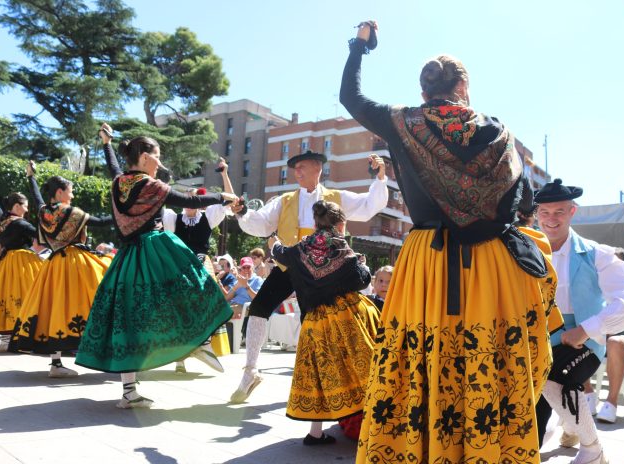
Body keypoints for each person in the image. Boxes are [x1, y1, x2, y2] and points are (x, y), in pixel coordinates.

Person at [340, 21, 563, 463]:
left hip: (427, 262)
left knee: (418, 361)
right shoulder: (500, 134)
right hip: (494, 264)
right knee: (493, 361)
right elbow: (519, 207)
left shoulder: (402, 121)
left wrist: (360, 46)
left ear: (425, 91)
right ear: (464, 86)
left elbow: (351, 97)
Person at [75, 124, 238, 408]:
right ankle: (198, 342)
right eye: (158, 156)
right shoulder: (151, 186)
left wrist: (106, 145)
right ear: (147, 157)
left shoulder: (118, 183)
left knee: (130, 319)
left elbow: (114, 169)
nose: (160, 162)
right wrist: (222, 197)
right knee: (195, 284)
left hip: (126, 258)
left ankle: (129, 391)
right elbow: (189, 200)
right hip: (155, 251)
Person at [229, 149, 388, 404]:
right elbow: (260, 222)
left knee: (313, 323)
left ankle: (317, 381)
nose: (297, 172)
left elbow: (369, 205)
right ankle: (250, 372)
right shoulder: (285, 200)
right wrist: (242, 212)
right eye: (295, 168)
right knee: (258, 308)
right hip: (289, 265)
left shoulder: (337, 197)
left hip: (319, 273)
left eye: (302, 167)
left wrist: (380, 178)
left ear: (318, 168)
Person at [534, 179, 624, 463]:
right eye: (544, 212)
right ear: (536, 214)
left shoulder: (598, 253)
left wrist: (586, 329)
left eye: (559, 211)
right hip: (538, 341)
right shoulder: (526, 251)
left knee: (552, 377)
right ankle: (568, 427)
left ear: (572, 212)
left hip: (584, 342)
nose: (551, 219)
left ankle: (593, 450)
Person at [270, 200, 380, 445]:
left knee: (317, 375)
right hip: (345, 319)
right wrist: (362, 263)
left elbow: (278, 253)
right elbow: (361, 281)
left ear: (315, 223)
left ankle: (315, 433)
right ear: (340, 224)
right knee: (365, 369)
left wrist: (274, 243)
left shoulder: (298, 249)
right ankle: (375, 420)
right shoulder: (342, 249)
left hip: (313, 322)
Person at [9, 163, 112, 378]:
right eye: (70, 191)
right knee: (100, 298)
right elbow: (101, 222)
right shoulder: (70, 212)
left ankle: (56, 363)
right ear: (60, 192)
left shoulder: (44, 212)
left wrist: (31, 179)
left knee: (55, 308)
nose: (72, 196)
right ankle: (109, 354)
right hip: (76, 261)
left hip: (54, 263)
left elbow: (38, 200)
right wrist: (126, 211)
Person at [161, 158, 236, 373]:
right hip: (181, 269)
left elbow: (229, 201)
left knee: (208, 307)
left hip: (203, 267)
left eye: (193, 198)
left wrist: (224, 173)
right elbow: (157, 206)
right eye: (186, 198)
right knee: (180, 310)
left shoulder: (208, 217)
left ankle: (204, 346)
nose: (189, 201)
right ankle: (180, 358)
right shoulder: (172, 219)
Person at [0, 176, 44, 351]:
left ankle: (7, 338)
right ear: (16, 206)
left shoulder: (2, 221)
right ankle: (22, 338)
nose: (28, 209)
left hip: (6, 262)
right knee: (28, 296)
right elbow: (40, 234)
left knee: (6, 297)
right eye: (25, 205)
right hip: (23, 262)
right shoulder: (21, 223)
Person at [583, 247, 624, 423]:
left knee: (615, 341)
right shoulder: (601, 287)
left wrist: (610, 325)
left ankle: (611, 403)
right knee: (578, 337)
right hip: (601, 336)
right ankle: (587, 393)